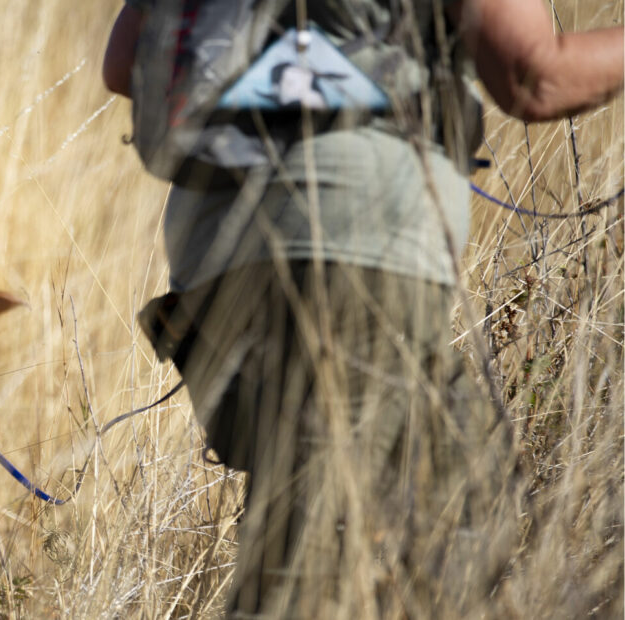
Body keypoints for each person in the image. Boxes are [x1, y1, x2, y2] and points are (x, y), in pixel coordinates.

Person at [104, 0, 623, 617]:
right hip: (345, 249)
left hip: (210, 259)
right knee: (302, 569)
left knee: (464, 493)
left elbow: (123, 62)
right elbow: (536, 76)